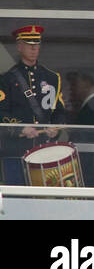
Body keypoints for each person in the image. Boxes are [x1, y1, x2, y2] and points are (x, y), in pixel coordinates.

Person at [1, 25, 66, 186]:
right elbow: (1, 113)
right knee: (17, 195)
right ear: (19, 46)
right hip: (16, 150)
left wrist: (55, 128)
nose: (33, 49)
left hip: (44, 150)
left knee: (43, 199)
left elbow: (60, 112)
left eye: (36, 45)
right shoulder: (7, 79)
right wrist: (20, 129)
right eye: (29, 45)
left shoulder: (52, 78)